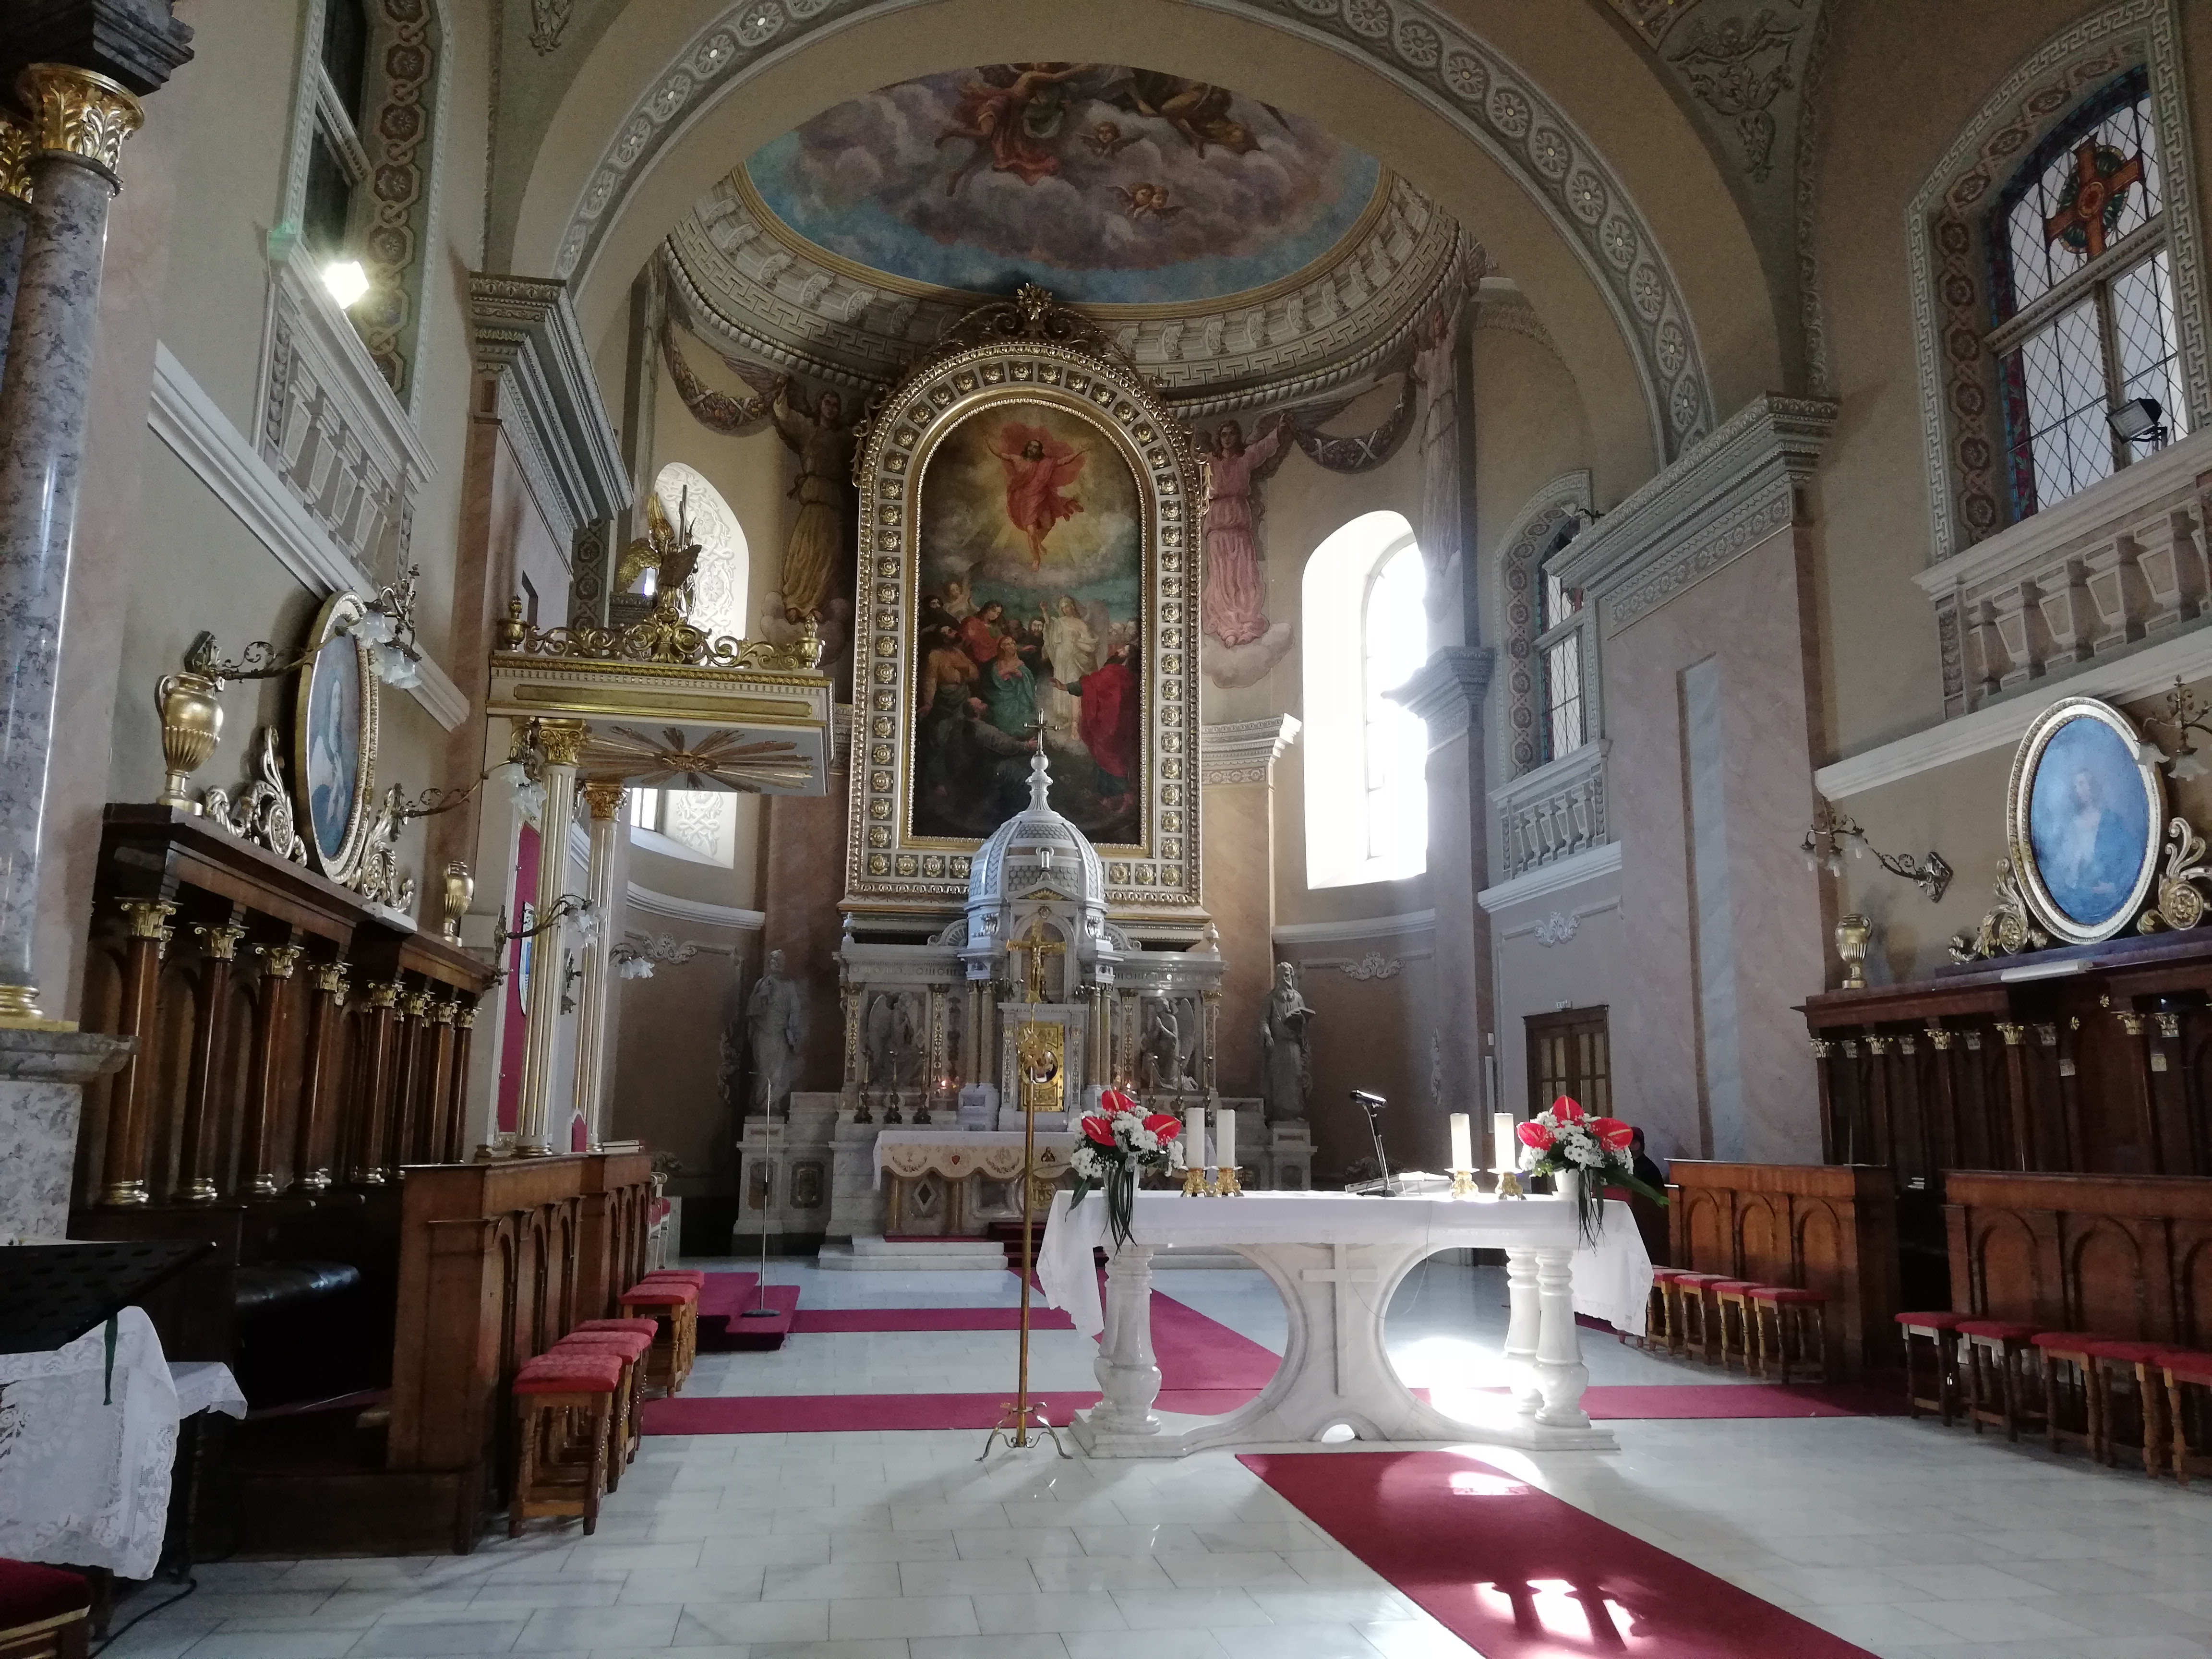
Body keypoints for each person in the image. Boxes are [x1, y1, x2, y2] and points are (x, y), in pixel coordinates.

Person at [767, 381, 854, 620]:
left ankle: (816, 602)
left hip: (834, 499)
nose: (832, 408)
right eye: (828, 403)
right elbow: (785, 416)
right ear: (819, 405)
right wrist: (782, 394)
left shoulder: (844, 437)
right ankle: (794, 601)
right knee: (806, 550)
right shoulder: (807, 429)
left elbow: (864, 435)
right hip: (814, 496)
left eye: (836, 405)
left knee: (830, 555)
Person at [1199, 416, 1287, 648]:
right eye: (1224, 435)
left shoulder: (1245, 458)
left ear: (1238, 437)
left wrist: (1278, 431)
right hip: (1218, 526)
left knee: (1244, 576)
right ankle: (1227, 627)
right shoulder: (1210, 462)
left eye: (1232, 434)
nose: (1228, 439)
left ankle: (1248, 624)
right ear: (1219, 438)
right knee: (1221, 578)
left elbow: (1263, 449)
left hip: (1239, 525)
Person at [1056, 638, 1140, 814]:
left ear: (1127, 657)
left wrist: (1065, 687)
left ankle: (1123, 798)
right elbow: (1093, 684)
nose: (1118, 651)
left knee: (1111, 759)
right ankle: (1110, 799)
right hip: (1121, 724)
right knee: (1112, 759)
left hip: (1112, 725)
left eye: (1123, 651)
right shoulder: (1128, 675)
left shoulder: (1115, 672)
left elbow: (1090, 684)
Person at [991, 425, 1086, 567]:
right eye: (1031, 446)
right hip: (1027, 502)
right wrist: (988, 442)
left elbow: (1064, 461)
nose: (1033, 449)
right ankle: (1036, 559)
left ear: (1039, 451)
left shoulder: (1046, 464)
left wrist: (1080, 451)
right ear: (1027, 448)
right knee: (1031, 532)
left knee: (1048, 525)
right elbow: (1000, 454)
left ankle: (1039, 542)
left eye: (1036, 448)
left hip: (1042, 500)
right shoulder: (1018, 460)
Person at [1040, 596, 1097, 732]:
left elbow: (1090, 644)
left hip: (1074, 657)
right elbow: (1049, 628)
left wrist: (1077, 642)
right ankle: (1064, 718)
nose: (1066, 609)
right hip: (1061, 656)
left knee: (1073, 682)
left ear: (1073, 607)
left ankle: (1075, 719)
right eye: (1063, 607)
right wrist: (1044, 612)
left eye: (1068, 606)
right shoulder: (1060, 622)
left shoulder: (1081, 624)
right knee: (1061, 680)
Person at [979, 634, 1040, 738]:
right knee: (1000, 712)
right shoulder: (997, 664)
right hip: (1000, 697)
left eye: (1013, 643)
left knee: (1021, 715)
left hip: (1019, 698)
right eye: (1008, 644)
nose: (1012, 646)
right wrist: (1007, 671)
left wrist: (1020, 676)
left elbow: (1029, 680)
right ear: (1002, 648)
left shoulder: (1020, 664)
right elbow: (996, 680)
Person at [959, 599, 1007, 666]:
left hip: (992, 659)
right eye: (993, 611)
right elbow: (962, 644)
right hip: (973, 659)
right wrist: (970, 637)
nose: (995, 615)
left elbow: (1003, 641)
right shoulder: (972, 622)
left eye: (998, 613)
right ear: (986, 609)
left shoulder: (995, 628)